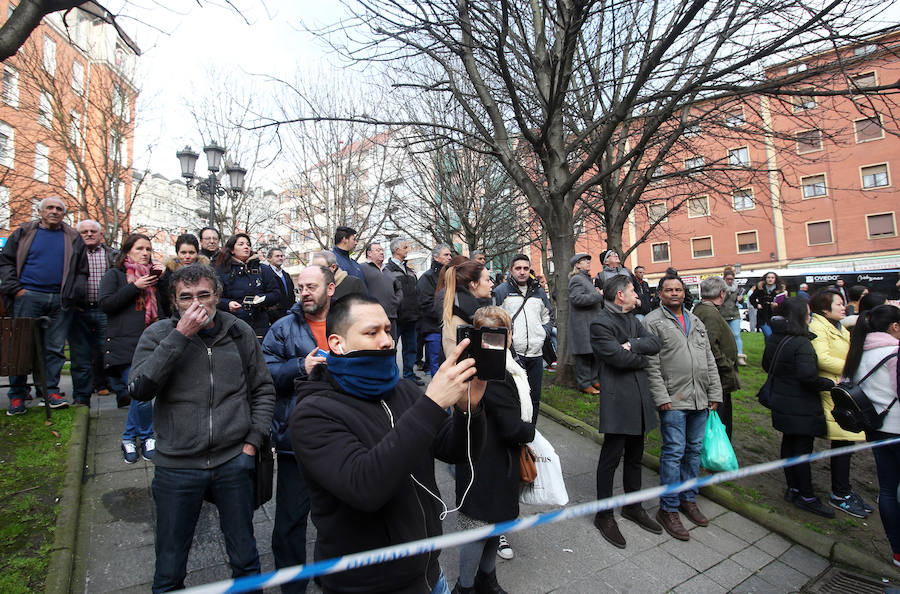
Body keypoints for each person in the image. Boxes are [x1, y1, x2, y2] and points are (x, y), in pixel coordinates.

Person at [289, 294, 486, 594]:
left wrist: (466, 410)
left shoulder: (402, 388)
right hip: (369, 585)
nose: (386, 341)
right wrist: (432, 403)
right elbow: (365, 486)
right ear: (337, 343)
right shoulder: (313, 412)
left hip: (429, 573)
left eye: (387, 330)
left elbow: (453, 449)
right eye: (371, 332)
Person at [129, 263, 274, 593]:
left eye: (204, 295)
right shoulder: (158, 335)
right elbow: (139, 389)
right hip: (177, 465)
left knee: (245, 557)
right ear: (174, 302)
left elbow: (263, 388)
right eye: (186, 297)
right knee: (169, 564)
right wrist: (180, 336)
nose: (196, 303)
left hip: (233, 460)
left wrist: (252, 442)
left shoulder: (239, 332)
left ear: (217, 296)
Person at [262, 265, 336, 594]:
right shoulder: (282, 328)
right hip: (298, 440)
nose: (304, 292)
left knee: (336, 518)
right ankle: (293, 587)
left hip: (340, 438)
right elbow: (263, 373)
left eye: (312, 286)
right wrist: (299, 366)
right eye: (300, 286)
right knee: (290, 521)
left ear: (330, 289)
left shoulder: (347, 322)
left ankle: (331, 575)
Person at [453, 306, 534, 594]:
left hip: (495, 463)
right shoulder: (494, 372)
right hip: (486, 466)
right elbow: (513, 428)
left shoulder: (498, 365)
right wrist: (530, 431)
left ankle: (487, 580)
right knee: (479, 531)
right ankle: (464, 587)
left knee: (493, 527)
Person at [644, 274, 722, 541]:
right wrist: (661, 396)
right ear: (660, 294)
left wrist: (715, 392)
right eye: (669, 290)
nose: (674, 293)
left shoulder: (696, 320)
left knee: (693, 451)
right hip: (673, 398)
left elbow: (708, 358)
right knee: (674, 451)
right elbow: (651, 364)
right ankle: (668, 508)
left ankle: (688, 498)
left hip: (700, 397)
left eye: (678, 289)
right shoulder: (652, 322)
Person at [591, 275, 662, 549]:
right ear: (620, 295)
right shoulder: (600, 322)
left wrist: (632, 344)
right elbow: (616, 359)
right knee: (611, 458)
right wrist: (640, 356)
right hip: (618, 398)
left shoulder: (634, 320)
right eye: (633, 291)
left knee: (635, 456)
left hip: (639, 397)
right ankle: (604, 514)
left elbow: (654, 344)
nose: (637, 295)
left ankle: (633, 507)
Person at [0, 196, 88, 414]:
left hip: (59, 300)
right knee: (21, 346)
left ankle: (50, 391)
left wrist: (71, 295)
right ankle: (17, 396)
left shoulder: (73, 237)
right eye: (49, 207)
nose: (54, 211)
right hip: (28, 296)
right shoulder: (24, 232)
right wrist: (17, 290)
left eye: (59, 209)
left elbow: (81, 272)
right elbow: (6, 262)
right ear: (40, 211)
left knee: (55, 348)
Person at [762, 298, 835, 518]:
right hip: (800, 403)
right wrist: (830, 384)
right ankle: (807, 496)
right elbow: (807, 377)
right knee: (802, 450)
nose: (810, 316)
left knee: (789, 444)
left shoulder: (776, 337)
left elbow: (767, 364)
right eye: (808, 312)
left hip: (782, 401)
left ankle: (793, 488)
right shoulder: (802, 343)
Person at [841, 304, 900, 567]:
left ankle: (897, 550)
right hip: (898, 429)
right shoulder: (895, 353)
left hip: (876, 430)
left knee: (887, 489)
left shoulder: (857, 353)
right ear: (894, 327)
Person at [100, 233, 165, 462]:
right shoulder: (115, 275)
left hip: (152, 343)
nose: (145, 253)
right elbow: (107, 304)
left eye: (148, 248)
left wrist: (163, 278)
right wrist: (135, 287)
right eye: (139, 248)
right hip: (125, 344)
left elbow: (168, 305)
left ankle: (128, 437)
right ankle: (146, 437)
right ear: (127, 251)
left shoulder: (154, 279)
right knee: (142, 393)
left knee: (142, 393)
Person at [808, 289, 871, 518]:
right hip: (831, 391)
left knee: (846, 444)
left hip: (842, 388)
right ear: (825, 308)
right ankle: (840, 493)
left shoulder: (838, 326)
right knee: (843, 442)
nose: (844, 307)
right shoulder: (818, 327)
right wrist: (852, 367)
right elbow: (821, 358)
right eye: (838, 304)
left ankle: (844, 490)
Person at [493, 254, 551, 422]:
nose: (522, 272)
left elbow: (548, 317)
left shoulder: (539, 292)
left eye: (526, 268)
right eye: (518, 268)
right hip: (513, 354)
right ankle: (516, 433)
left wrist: (541, 335)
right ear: (511, 270)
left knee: (534, 396)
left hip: (536, 353)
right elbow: (493, 321)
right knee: (516, 396)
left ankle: (531, 432)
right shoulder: (501, 291)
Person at [68, 219, 117, 407]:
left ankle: (111, 386)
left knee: (106, 351)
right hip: (79, 310)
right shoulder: (71, 254)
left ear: (100, 234)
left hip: (104, 310)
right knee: (80, 355)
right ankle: (81, 397)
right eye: (84, 232)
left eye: (92, 231)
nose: (88, 234)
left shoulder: (111, 255)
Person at [693, 276, 740, 439]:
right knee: (719, 421)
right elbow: (710, 346)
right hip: (717, 377)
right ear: (722, 293)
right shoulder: (709, 313)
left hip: (716, 375)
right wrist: (726, 365)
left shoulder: (704, 309)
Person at [215, 233, 281, 339]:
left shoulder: (263, 269)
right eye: (241, 244)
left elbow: (276, 294)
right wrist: (228, 304)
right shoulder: (222, 271)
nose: (246, 247)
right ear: (232, 249)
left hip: (259, 326)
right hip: (232, 326)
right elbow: (214, 298)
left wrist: (263, 299)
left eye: (248, 244)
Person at [384, 238, 424, 385]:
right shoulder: (387, 271)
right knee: (392, 349)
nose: (408, 250)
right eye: (405, 247)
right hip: (397, 317)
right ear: (397, 250)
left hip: (412, 317)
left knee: (411, 348)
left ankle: (409, 376)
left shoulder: (410, 270)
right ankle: (392, 378)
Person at [438, 260, 494, 359]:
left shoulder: (484, 312)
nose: (492, 284)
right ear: (474, 284)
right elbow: (455, 365)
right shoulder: (456, 321)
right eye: (487, 280)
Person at [568, 253, 603, 395]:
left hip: (590, 323)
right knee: (584, 355)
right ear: (577, 265)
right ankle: (584, 384)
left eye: (589, 260)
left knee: (592, 353)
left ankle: (593, 380)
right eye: (585, 261)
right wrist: (598, 295)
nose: (588, 262)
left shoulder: (586, 279)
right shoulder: (576, 279)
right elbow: (577, 299)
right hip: (582, 325)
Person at [418, 244, 453, 376]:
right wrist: (445, 315)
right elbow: (425, 303)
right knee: (437, 366)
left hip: (448, 327)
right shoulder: (427, 278)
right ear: (436, 258)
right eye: (446, 255)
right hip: (434, 328)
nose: (450, 257)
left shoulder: (450, 275)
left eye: (450, 255)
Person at [158, 234, 208, 319]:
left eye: (191, 253)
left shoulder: (207, 273)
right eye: (183, 253)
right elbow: (163, 300)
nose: (187, 257)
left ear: (197, 253)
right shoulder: (168, 273)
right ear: (177, 253)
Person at [362, 241, 402, 335]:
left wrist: (396, 301)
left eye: (382, 250)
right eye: (378, 250)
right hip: (372, 318)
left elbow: (399, 289)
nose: (382, 252)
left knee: (392, 346)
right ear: (369, 253)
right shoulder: (362, 269)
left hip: (390, 317)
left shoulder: (388, 271)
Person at [262, 247, 296, 324]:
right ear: (269, 258)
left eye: (281, 256)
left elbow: (291, 293)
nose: (280, 258)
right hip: (273, 316)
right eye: (277, 256)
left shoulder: (286, 275)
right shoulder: (265, 274)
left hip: (288, 313)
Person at [720, 267, 746, 366]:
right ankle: (726, 355)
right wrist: (726, 292)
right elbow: (720, 301)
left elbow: (739, 301)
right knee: (725, 336)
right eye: (728, 279)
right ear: (724, 279)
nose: (730, 281)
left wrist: (741, 299)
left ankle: (740, 356)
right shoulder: (720, 288)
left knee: (736, 334)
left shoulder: (737, 288)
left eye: (731, 279)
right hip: (723, 314)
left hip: (734, 314)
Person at [331, 225, 367, 290]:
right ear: (344, 239)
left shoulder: (355, 264)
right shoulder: (331, 261)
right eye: (353, 239)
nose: (356, 243)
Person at [749, 271, 780, 339]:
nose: (770, 279)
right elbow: (752, 298)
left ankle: (769, 349)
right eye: (768, 277)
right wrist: (757, 305)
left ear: (775, 279)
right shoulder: (760, 288)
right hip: (763, 315)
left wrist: (777, 305)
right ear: (765, 279)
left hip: (775, 315)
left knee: (772, 336)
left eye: (772, 278)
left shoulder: (779, 289)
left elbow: (783, 302)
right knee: (768, 335)